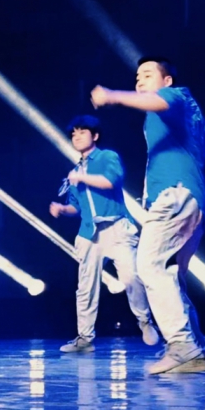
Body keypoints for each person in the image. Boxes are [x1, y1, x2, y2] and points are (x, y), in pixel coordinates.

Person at [90, 58, 205, 373]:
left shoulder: (175, 96)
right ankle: (195, 350)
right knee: (171, 275)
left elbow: (158, 101)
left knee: (149, 266)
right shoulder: (184, 111)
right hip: (194, 200)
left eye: (147, 74)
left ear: (167, 81)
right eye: (137, 76)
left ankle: (182, 346)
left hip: (175, 195)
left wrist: (112, 95)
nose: (139, 80)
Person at [50, 115, 158, 353]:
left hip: (116, 228)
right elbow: (76, 207)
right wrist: (62, 209)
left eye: (82, 132)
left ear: (95, 135)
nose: (77, 137)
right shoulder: (75, 171)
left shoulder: (107, 157)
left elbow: (111, 181)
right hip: (89, 234)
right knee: (85, 287)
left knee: (131, 277)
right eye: (73, 134)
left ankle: (144, 320)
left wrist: (81, 177)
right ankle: (84, 339)